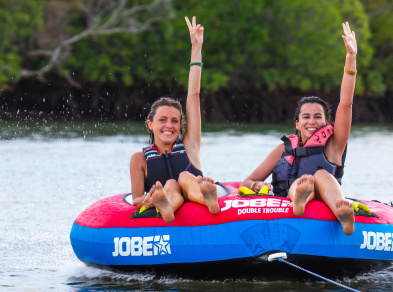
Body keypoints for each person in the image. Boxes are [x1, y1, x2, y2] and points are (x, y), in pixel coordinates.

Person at [240, 22, 357, 235]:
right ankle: (300, 198)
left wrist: (351, 58)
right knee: (304, 183)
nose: (311, 121)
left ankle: (342, 213)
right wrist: (257, 187)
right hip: (290, 199)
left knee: (319, 176)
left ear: (327, 122)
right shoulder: (282, 150)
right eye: (306, 117)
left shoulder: (334, 145)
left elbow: (345, 104)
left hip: (323, 197)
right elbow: (249, 181)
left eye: (318, 117)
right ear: (297, 123)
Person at [130, 16, 219, 223]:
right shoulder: (139, 159)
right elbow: (135, 199)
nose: (169, 125)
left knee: (184, 177)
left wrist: (196, 48)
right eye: (162, 120)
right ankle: (166, 206)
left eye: (174, 121)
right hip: (169, 195)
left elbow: (194, 95)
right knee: (169, 184)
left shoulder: (189, 146)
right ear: (150, 124)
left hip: (193, 191)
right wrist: (149, 199)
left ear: (181, 125)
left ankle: (208, 198)